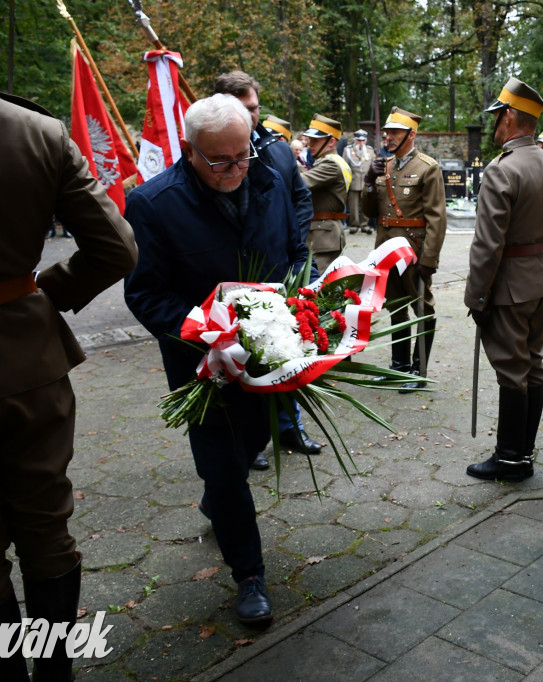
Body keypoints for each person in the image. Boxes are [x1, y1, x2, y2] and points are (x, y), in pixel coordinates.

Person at [0, 2, 138, 678]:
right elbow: (115, 248)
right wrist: (41, 297)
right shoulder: (37, 131)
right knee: (45, 527)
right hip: (30, 365)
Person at [124, 94, 311, 625]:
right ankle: (249, 575)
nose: (235, 170)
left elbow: (296, 252)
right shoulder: (152, 204)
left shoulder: (268, 179)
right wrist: (206, 335)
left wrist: (302, 299)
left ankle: (217, 499)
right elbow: (144, 293)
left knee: (253, 441)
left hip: (270, 357)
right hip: (202, 368)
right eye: (220, 161)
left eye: (243, 155)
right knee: (225, 467)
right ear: (189, 150)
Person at [463, 77, 543, 482]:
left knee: (513, 371)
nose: (496, 124)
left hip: (508, 290)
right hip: (539, 284)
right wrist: (542, 261)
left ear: (511, 116)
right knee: (534, 367)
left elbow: (487, 245)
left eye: (498, 115)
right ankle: (523, 454)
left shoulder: (503, 171)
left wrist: (476, 298)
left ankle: (511, 458)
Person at [212, 71, 322, 457]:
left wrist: (293, 249)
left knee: (285, 348)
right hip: (233, 281)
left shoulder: (276, 150)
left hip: (279, 272)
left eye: (255, 108)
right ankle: (252, 440)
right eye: (244, 110)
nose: (253, 117)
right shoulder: (211, 152)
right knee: (244, 356)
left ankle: (291, 428)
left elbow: (300, 200)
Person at [362, 107, 447, 393]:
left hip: (413, 251)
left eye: (395, 132)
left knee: (422, 307)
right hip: (386, 249)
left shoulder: (427, 167)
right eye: (386, 132)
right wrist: (368, 183)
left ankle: (419, 370)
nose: (388, 137)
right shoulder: (384, 166)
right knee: (395, 307)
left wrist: (429, 259)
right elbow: (369, 212)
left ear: (410, 134)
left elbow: (437, 217)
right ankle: (398, 367)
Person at [300, 114, 351, 272]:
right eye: (309, 140)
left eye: (315, 140)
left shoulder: (330, 164)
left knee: (317, 288)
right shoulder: (332, 161)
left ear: (331, 142)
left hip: (323, 235)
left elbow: (300, 182)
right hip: (323, 233)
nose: (310, 144)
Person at [343, 129, 375, 235]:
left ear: (366, 141)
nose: (361, 143)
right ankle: (354, 225)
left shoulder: (370, 150)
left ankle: (365, 225)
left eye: (363, 141)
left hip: (366, 182)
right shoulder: (348, 150)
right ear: (355, 140)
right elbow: (344, 167)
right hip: (354, 181)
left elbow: (373, 166)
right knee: (353, 206)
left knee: (365, 205)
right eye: (359, 141)